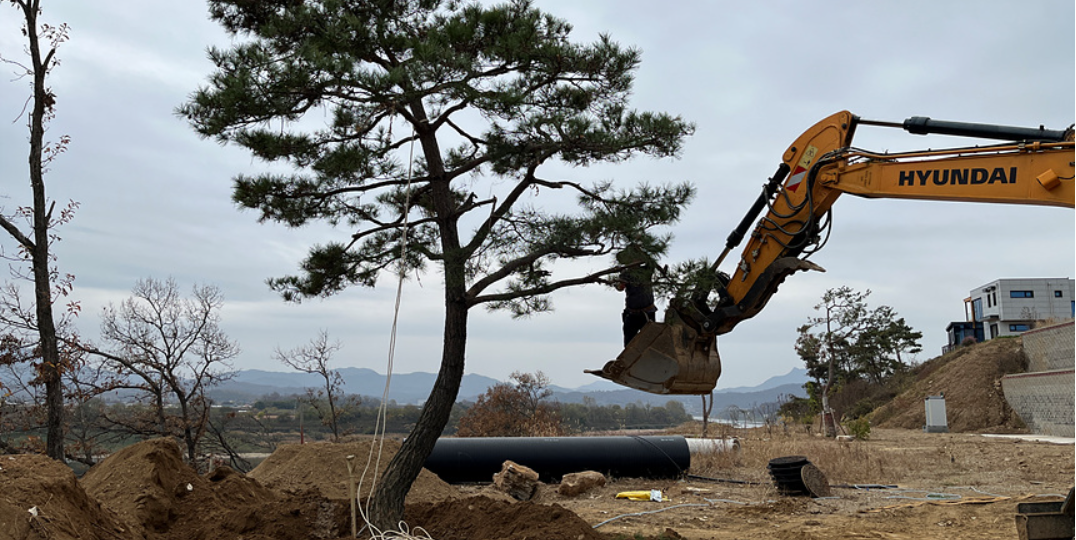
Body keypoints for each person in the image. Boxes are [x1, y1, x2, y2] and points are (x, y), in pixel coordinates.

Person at [613, 248, 658, 347]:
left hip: (648, 312)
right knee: (629, 345)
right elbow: (620, 287)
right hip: (632, 313)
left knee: (651, 342)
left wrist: (641, 250)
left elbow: (652, 263)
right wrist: (616, 283)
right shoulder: (626, 274)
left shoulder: (646, 271)